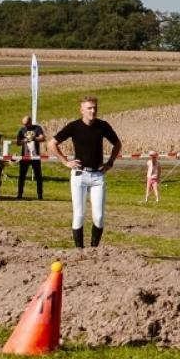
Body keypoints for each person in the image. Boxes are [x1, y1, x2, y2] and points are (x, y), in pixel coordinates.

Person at [48, 96, 122, 249]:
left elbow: (117, 143)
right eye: (89, 108)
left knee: (99, 216)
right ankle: (79, 251)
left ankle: (94, 249)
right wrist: (65, 161)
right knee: (79, 215)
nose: (93, 111)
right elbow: (52, 143)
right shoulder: (74, 126)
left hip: (98, 176)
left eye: (95, 107)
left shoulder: (103, 126)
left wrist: (110, 163)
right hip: (79, 175)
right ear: (82, 110)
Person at [15, 114, 46, 199]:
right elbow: (17, 142)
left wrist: (34, 138)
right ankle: (19, 194)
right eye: (23, 124)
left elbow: (43, 138)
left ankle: (40, 195)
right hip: (25, 156)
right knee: (22, 176)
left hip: (35, 156)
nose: (25, 126)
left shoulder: (37, 128)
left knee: (38, 176)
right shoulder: (22, 130)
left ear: (30, 122)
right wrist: (25, 140)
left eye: (26, 124)